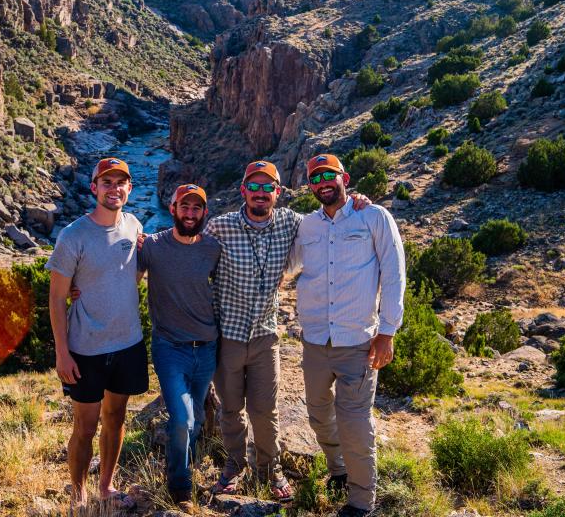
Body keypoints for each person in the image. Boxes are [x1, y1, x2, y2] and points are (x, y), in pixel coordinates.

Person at [207, 160, 371, 502]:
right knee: (231, 409)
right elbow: (188, 253)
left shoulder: (293, 223)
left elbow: (329, 219)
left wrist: (358, 202)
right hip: (229, 337)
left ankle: (270, 471)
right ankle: (234, 466)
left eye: (268, 188)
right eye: (254, 187)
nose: (261, 194)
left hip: (266, 336)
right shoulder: (219, 228)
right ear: (243, 191)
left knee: (266, 411)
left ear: (278, 194)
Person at [292, 153, 406, 517]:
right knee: (317, 413)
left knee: (355, 421)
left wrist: (387, 331)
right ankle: (338, 468)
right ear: (309, 185)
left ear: (345, 177)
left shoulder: (373, 216)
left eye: (329, 175)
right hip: (314, 340)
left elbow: (393, 274)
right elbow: (287, 262)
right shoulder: (306, 226)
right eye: (315, 178)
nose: (323, 182)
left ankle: (361, 500)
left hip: (358, 341)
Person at [47, 157, 147, 511]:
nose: (114, 188)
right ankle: (78, 493)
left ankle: (105, 486)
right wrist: (62, 352)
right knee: (85, 426)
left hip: (127, 343)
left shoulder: (134, 225)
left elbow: (131, 273)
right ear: (94, 188)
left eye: (121, 182)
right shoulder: (73, 236)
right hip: (85, 348)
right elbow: (57, 297)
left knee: (116, 418)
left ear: (129, 188)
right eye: (106, 182)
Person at [137, 183, 221, 514]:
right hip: (170, 347)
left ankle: (184, 462)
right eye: (183, 207)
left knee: (196, 417)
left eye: (196, 207)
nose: (189, 213)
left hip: (207, 348)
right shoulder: (153, 246)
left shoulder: (213, 248)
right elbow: (123, 274)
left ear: (204, 213)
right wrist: (76, 288)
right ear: (172, 209)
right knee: (183, 417)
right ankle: (180, 487)